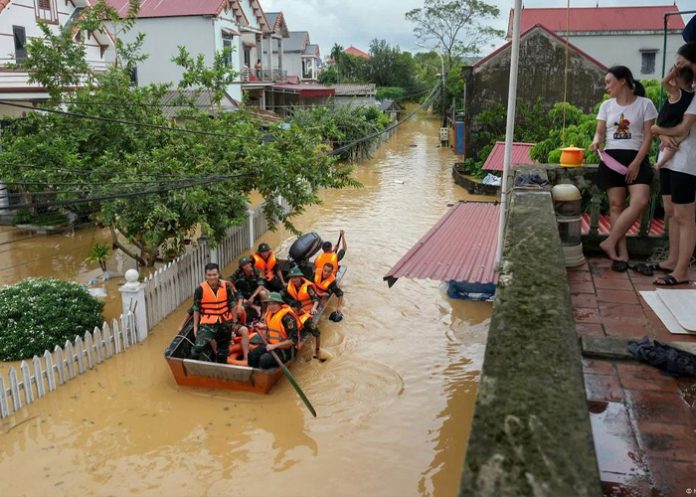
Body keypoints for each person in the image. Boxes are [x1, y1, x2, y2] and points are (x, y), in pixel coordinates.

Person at [590, 66, 658, 272]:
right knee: (616, 205)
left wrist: (637, 162)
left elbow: (648, 137)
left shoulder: (645, 104)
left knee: (640, 201)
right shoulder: (606, 106)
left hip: (636, 157)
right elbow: (599, 133)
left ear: (622, 81)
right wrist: (595, 142)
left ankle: (609, 241)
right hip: (612, 158)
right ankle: (622, 254)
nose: (606, 87)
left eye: (609, 82)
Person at [650, 42, 696, 286]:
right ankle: (672, 260)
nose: (676, 68)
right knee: (670, 211)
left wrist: (658, 129)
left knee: (684, 216)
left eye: (680, 64)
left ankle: (682, 271)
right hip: (669, 158)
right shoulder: (680, 91)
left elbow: (684, 128)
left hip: (686, 161)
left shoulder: (693, 93)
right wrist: (663, 135)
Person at [190, 263, 249, 363]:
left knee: (223, 351)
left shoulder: (226, 286)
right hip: (208, 324)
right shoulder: (199, 289)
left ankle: (221, 365)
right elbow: (196, 309)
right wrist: (195, 326)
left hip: (225, 322)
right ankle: (192, 366)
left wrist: (234, 323)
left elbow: (232, 305)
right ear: (205, 275)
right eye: (209, 275)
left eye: (214, 275)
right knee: (198, 347)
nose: (212, 277)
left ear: (218, 274)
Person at [653, 65, 694, 170]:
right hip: (671, 123)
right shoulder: (690, 93)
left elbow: (663, 82)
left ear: (675, 79)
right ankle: (660, 162)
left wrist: (672, 74)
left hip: (667, 123)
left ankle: (660, 162)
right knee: (673, 144)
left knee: (672, 144)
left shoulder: (677, 92)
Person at [249, 292, 300, 369]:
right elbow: (276, 328)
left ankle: (265, 375)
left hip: (285, 350)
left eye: (274, 304)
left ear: (280, 304)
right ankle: (254, 374)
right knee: (252, 355)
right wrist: (264, 326)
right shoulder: (270, 313)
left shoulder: (287, 318)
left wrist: (274, 346)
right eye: (269, 304)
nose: (271, 306)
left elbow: (293, 340)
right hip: (270, 345)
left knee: (264, 359)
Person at [230, 256, 267, 322]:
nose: (248, 265)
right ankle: (255, 307)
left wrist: (253, 296)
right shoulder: (238, 273)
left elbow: (261, 285)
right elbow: (229, 282)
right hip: (244, 295)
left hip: (255, 294)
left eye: (248, 263)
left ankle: (263, 313)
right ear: (242, 267)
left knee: (263, 293)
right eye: (245, 264)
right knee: (235, 298)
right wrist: (234, 290)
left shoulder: (257, 271)